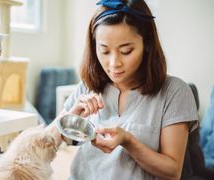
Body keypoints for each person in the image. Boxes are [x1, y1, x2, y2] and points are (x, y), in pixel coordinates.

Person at [47, 0, 199, 179]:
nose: (114, 64)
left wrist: (128, 141)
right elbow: (45, 144)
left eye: (126, 51)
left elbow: (172, 172)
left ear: (147, 44)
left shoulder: (175, 92)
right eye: (104, 51)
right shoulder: (88, 87)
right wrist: (72, 116)